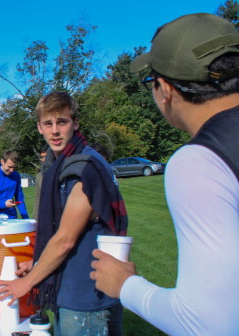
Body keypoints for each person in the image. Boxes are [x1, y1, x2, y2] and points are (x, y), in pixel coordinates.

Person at [90, 13, 239, 335]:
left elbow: (206, 324)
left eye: (151, 82)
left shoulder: (202, 161)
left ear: (165, 90)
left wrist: (125, 285)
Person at [0, 91, 127, 336]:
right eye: (48, 123)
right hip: (89, 285)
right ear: (39, 128)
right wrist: (36, 263)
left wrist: (29, 280)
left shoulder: (83, 169)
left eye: (62, 122)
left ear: (75, 123)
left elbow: (65, 240)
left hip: (86, 296)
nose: (55, 130)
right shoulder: (66, 164)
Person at [33, 143, 49, 220]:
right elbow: (37, 200)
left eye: (46, 156)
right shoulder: (39, 176)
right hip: (45, 218)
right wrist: (35, 219)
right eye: (42, 157)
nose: (43, 160)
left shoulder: (62, 173)